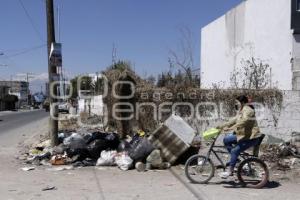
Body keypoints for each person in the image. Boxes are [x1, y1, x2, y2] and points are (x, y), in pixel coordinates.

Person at [217, 95, 262, 179]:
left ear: (243, 102)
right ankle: (236, 160)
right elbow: (233, 120)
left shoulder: (248, 110)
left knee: (234, 151)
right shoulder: (242, 111)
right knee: (226, 140)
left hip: (251, 138)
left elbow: (243, 122)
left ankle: (230, 171)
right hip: (244, 136)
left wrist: (230, 128)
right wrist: (221, 126)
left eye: (237, 102)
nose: (236, 104)